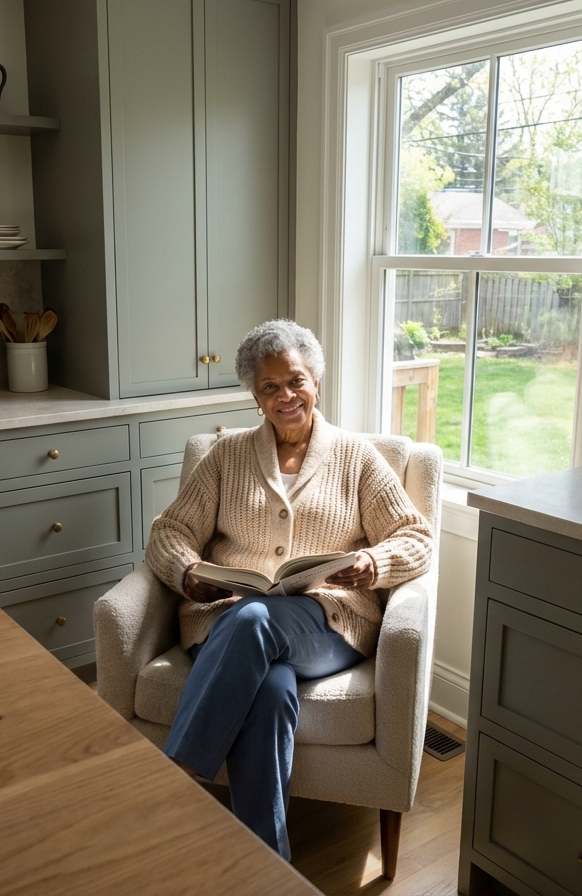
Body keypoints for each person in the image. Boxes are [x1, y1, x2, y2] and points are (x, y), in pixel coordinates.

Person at [144, 319, 434, 860]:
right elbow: (170, 530)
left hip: (327, 626)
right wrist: (188, 573)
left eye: (295, 381)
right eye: (270, 387)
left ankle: (173, 778)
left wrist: (375, 562)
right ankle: (268, 867)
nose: (286, 396)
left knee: (256, 621)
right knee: (271, 689)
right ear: (255, 396)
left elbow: (415, 535)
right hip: (228, 619)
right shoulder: (226, 458)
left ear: (316, 382)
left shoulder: (356, 458)